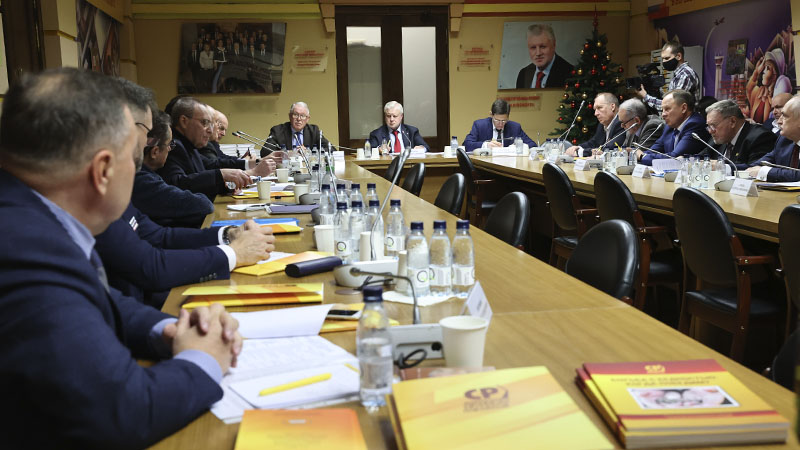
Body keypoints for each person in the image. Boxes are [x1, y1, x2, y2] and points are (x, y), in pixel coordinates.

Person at [0, 67, 242, 448]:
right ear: (103, 170)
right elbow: (122, 412)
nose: (140, 170)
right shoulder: (24, 248)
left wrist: (168, 329)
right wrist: (205, 359)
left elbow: (95, 297)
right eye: (135, 158)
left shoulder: (29, 215)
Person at [158, 97, 257, 200]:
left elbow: (207, 169)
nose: (210, 130)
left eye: (211, 124)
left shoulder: (190, 145)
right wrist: (221, 175)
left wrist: (227, 186)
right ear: (184, 121)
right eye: (205, 123)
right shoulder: (174, 145)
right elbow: (177, 184)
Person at [133, 110, 214, 227]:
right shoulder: (143, 181)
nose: (170, 149)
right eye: (170, 144)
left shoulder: (147, 175)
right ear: (155, 152)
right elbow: (203, 205)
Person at [638, 90, 710, 165]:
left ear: (683, 108)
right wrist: (637, 154)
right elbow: (653, 151)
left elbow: (675, 158)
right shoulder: (670, 126)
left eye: (667, 109)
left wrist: (642, 156)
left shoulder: (695, 125)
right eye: (662, 110)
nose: (663, 114)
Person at [702, 99, 775, 170]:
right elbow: (699, 158)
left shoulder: (760, 137)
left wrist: (721, 166)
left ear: (733, 121)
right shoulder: (719, 138)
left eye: (713, 125)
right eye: (709, 126)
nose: (710, 131)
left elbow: (754, 169)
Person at [747, 95, 800, 182]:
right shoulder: (783, 140)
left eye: (785, 116)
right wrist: (727, 167)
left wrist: (766, 172)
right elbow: (754, 167)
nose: (779, 121)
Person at [636, 41, 700, 112]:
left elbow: (671, 105)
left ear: (679, 56)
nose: (664, 62)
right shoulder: (679, 74)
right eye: (662, 59)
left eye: (667, 58)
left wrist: (646, 96)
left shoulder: (685, 75)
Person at [463, 99, 537, 151]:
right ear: (491, 115)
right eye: (497, 120)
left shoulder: (515, 127)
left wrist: (519, 146)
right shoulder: (480, 125)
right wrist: (486, 145)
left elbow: (532, 145)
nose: (500, 124)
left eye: (504, 120)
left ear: (508, 117)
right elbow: (466, 145)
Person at [515, 24, 573, 89]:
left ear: (554, 45)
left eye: (543, 47)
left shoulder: (570, 74)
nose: (538, 53)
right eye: (533, 47)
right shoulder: (523, 74)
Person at [262, 102, 329, 156]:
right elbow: (265, 152)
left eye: (302, 116)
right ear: (290, 116)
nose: (299, 119)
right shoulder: (278, 131)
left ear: (307, 119)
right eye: (295, 115)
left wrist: (309, 153)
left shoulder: (314, 131)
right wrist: (289, 153)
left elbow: (330, 149)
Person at [746, 48, 793, 125]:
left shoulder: (780, 93)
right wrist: (756, 72)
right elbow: (749, 89)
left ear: (774, 74)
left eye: (767, 68)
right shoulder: (760, 92)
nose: (763, 71)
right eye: (763, 68)